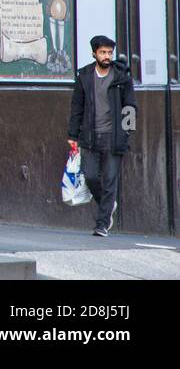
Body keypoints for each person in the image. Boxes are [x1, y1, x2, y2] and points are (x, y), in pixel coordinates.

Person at [68, 35, 137, 236]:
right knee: (90, 176)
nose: (107, 56)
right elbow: (77, 107)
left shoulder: (121, 77)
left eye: (109, 53)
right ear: (94, 54)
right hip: (89, 136)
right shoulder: (85, 76)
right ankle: (108, 205)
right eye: (103, 52)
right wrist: (72, 134)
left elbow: (130, 105)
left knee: (109, 179)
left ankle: (102, 223)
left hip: (113, 136)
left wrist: (127, 132)